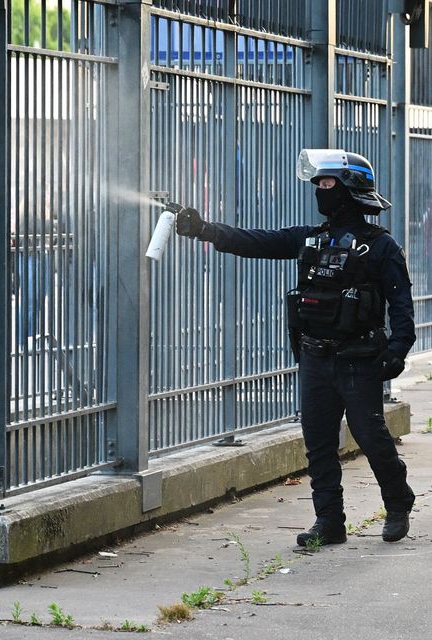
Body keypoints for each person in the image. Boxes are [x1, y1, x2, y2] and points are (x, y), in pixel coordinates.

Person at [175, 149, 415, 545]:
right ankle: (329, 521)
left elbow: (401, 303)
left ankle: (397, 501)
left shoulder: (380, 246)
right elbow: (257, 242)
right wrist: (205, 229)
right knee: (318, 441)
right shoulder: (311, 238)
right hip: (315, 357)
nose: (319, 191)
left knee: (370, 435)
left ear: (349, 188)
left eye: (326, 183)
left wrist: (398, 349)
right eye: (317, 184)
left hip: (357, 359)